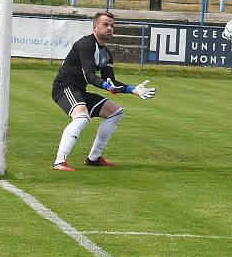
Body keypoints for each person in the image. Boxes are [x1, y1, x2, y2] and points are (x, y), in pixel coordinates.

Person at [51, 12, 156, 171]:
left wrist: (133, 89)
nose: (110, 28)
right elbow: (89, 75)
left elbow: (111, 81)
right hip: (64, 87)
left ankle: (93, 159)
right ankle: (59, 162)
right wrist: (107, 87)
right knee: (81, 117)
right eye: (105, 24)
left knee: (116, 112)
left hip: (79, 90)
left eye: (112, 25)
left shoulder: (106, 54)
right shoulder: (85, 44)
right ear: (95, 27)